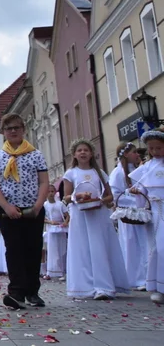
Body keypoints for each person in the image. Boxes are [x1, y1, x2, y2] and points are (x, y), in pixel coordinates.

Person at [0, 113, 49, 310]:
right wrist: (6, 206)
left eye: (16, 127)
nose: (13, 131)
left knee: (32, 249)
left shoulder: (35, 154)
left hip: (33, 208)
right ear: (3, 133)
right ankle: (16, 292)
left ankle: (32, 291)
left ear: (23, 130)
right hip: (7, 210)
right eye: (9, 129)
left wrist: (38, 206)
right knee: (14, 250)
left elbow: (43, 182)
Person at [62, 139, 129, 300]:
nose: (83, 152)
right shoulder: (70, 174)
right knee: (83, 248)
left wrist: (100, 200)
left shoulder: (99, 173)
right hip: (80, 215)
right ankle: (85, 286)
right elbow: (66, 197)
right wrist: (77, 196)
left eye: (86, 150)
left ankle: (104, 286)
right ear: (75, 155)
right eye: (80, 150)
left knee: (100, 247)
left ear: (91, 153)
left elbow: (109, 195)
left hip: (98, 215)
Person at [128, 126, 164, 304]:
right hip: (155, 212)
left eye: (159, 147)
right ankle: (158, 286)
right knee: (156, 249)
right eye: (151, 148)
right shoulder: (146, 168)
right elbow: (143, 188)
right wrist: (137, 193)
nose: (155, 151)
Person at [109, 141, 149, 291]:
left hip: (140, 213)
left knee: (144, 245)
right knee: (133, 246)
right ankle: (137, 278)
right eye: (134, 152)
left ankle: (146, 275)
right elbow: (115, 195)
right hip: (129, 215)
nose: (137, 155)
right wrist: (131, 196)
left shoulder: (136, 170)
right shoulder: (118, 173)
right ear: (126, 154)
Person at [43, 185, 68, 281]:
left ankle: (62, 271)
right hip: (51, 229)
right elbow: (43, 218)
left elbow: (67, 215)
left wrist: (65, 222)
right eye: (49, 191)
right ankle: (51, 271)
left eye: (52, 191)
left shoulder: (60, 204)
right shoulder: (45, 205)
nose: (50, 193)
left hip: (60, 229)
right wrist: (50, 222)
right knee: (52, 250)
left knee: (61, 249)